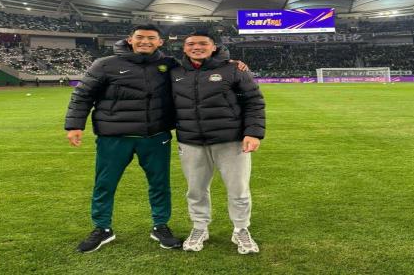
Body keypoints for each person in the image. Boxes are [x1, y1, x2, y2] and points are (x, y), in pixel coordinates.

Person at [64, 24, 182, 252]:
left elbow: (199, 70)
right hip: (115, 136)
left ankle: (160, 226)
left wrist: (232, 63)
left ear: (160, 42)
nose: (145, 41)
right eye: (140, 37)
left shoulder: (170, 65)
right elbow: (83, 94)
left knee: (160, 184)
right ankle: (102, 228)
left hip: (155, 136)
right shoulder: (105, 64)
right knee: (105, 184)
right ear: (130, 39)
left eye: (151, 38)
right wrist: (75, 125)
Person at [170, 32, 265, 254]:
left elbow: (254, 101)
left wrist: (253, 133)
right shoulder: (174, 71)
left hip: (231, 141)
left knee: (238, 189)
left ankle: (240, 229)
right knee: (196, 190)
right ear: (184, 48)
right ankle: (199, 228)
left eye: (203, 43)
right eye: (191, 44)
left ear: (214, 47)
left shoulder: (233, 69)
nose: (197, 47)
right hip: (191, 141)